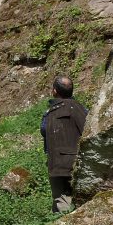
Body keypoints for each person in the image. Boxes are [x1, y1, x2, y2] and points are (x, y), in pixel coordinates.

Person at [40, 76, 88, 213]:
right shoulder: (81, 109)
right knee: (83, 200)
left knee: (62, 202)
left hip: (57, 165)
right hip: (80, 161)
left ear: (54, 91)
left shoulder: (49, 114)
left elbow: (43, 131)